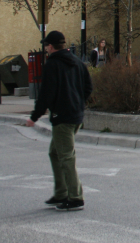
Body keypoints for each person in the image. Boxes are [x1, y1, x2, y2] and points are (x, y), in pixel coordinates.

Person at [26, 30, 93, 212]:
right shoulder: (78, 62)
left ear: (50, 46)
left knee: (66, 157)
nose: (45, 49)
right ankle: (61, 192)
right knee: (55, 153)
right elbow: (89, 87)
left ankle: (75, 197)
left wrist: (34, 116)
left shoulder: (52, 65)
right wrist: (78, 102)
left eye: (46, 46)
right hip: (76, 115)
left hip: (62, 118)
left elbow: (46, 94)